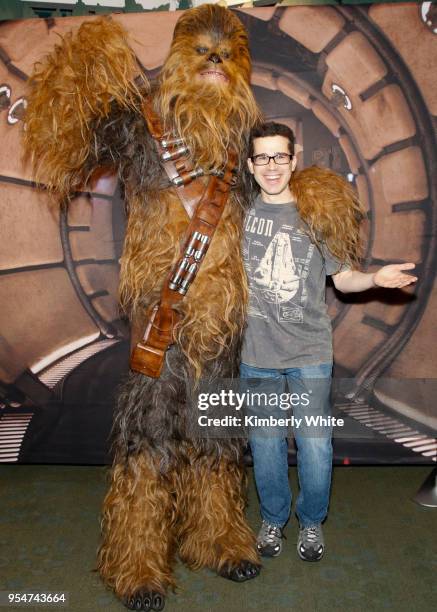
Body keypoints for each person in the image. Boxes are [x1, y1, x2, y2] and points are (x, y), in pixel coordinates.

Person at [24, 6, 262, 611]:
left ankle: (216, 539)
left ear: (243, 68)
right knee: (144, 440)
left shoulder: (249, 141)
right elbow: (65, 148)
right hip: (160, 320)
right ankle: (137, 563)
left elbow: (278, 207)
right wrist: (81, 65)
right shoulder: (139, 122)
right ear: (178, 58)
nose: (214, 63)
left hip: (223, 323)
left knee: (219, 434)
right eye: (201, 52)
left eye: (227, 54)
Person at [241, 121, 417, 562]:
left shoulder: (317, 212)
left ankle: (313, 521)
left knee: (316, 443)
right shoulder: (235, 216)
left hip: (310, 353)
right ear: (250, 165)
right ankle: (273, 519)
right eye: (262, 157)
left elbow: (344, 280)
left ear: (293, 159)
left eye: (280, 156)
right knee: (265, 442)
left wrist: (375, 277)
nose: (272, 166)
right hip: (256, 354)